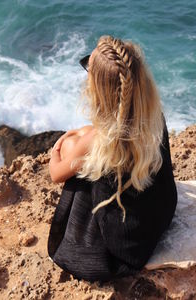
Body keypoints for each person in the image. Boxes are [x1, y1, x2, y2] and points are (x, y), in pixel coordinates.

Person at [48, 35, 177, 282]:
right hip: (159, 214)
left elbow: (56, 173)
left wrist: (58, 147)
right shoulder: (152, 116)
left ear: (99, 87)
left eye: (89, 68)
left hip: (124, 249)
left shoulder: (101, 142)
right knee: (83, 141)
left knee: (73, 150)